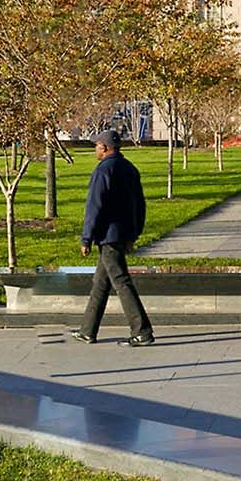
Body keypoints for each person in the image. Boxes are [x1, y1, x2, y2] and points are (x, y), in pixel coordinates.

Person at [78, 129, 154, 347]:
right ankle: (87, 330)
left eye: (96, 146)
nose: (95, 149)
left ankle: (142, 331)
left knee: (121, 281)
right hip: (123, 234)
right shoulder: (130, 168)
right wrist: (134, 233)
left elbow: (94, 206)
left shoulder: (103, 170)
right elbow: (140, 205)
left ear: (104, 147)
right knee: (101, 282)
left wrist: (86, 238)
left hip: (107, 236)